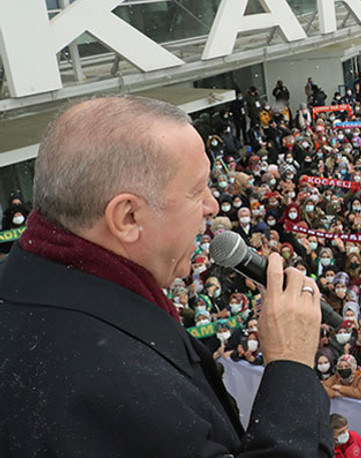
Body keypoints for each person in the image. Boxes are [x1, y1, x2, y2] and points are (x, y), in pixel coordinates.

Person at [0, 96, 332, 455]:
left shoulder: (29, 287)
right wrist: (291, 365)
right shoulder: (115, 385)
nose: (212, 206)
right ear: (128, 217)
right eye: (196, 190)